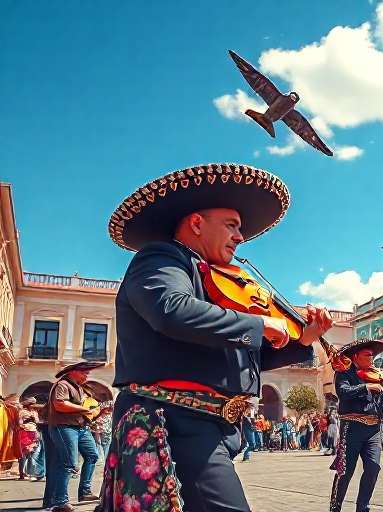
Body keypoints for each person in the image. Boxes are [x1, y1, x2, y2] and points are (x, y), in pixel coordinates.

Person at [96, 163, 333, 511]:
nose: (240, 236)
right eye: (232, 225)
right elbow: (170, 309)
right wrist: (258, 325)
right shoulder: (161, 258)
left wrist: (303, 338)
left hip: (213, 426)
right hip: (170, 419)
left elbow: (246, 358)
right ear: (196, 223)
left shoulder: (218, 281)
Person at [330, 339, 383, 512]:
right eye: (368, 355)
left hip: (374, 430)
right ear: (356, 356)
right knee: (345, 471)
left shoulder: (378, 376)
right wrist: (366, 387)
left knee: (373, 467)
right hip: (352, 426)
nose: (372, 359)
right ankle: (335, 507)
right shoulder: (344, 372)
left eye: (373, 355)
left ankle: (363, 507)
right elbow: (343, 392)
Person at [43, 361, 103, 511]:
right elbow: (59, 404)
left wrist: (98, 412)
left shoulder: (79, 388)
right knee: (68, 464)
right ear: (73, 372)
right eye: (84, 373)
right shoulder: (62, 384)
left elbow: (81, 412)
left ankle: (85, 491)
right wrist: (84, 409)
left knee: (92, 456)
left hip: (80, 428)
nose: (86, 376)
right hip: (64, 427)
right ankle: (60, 502)